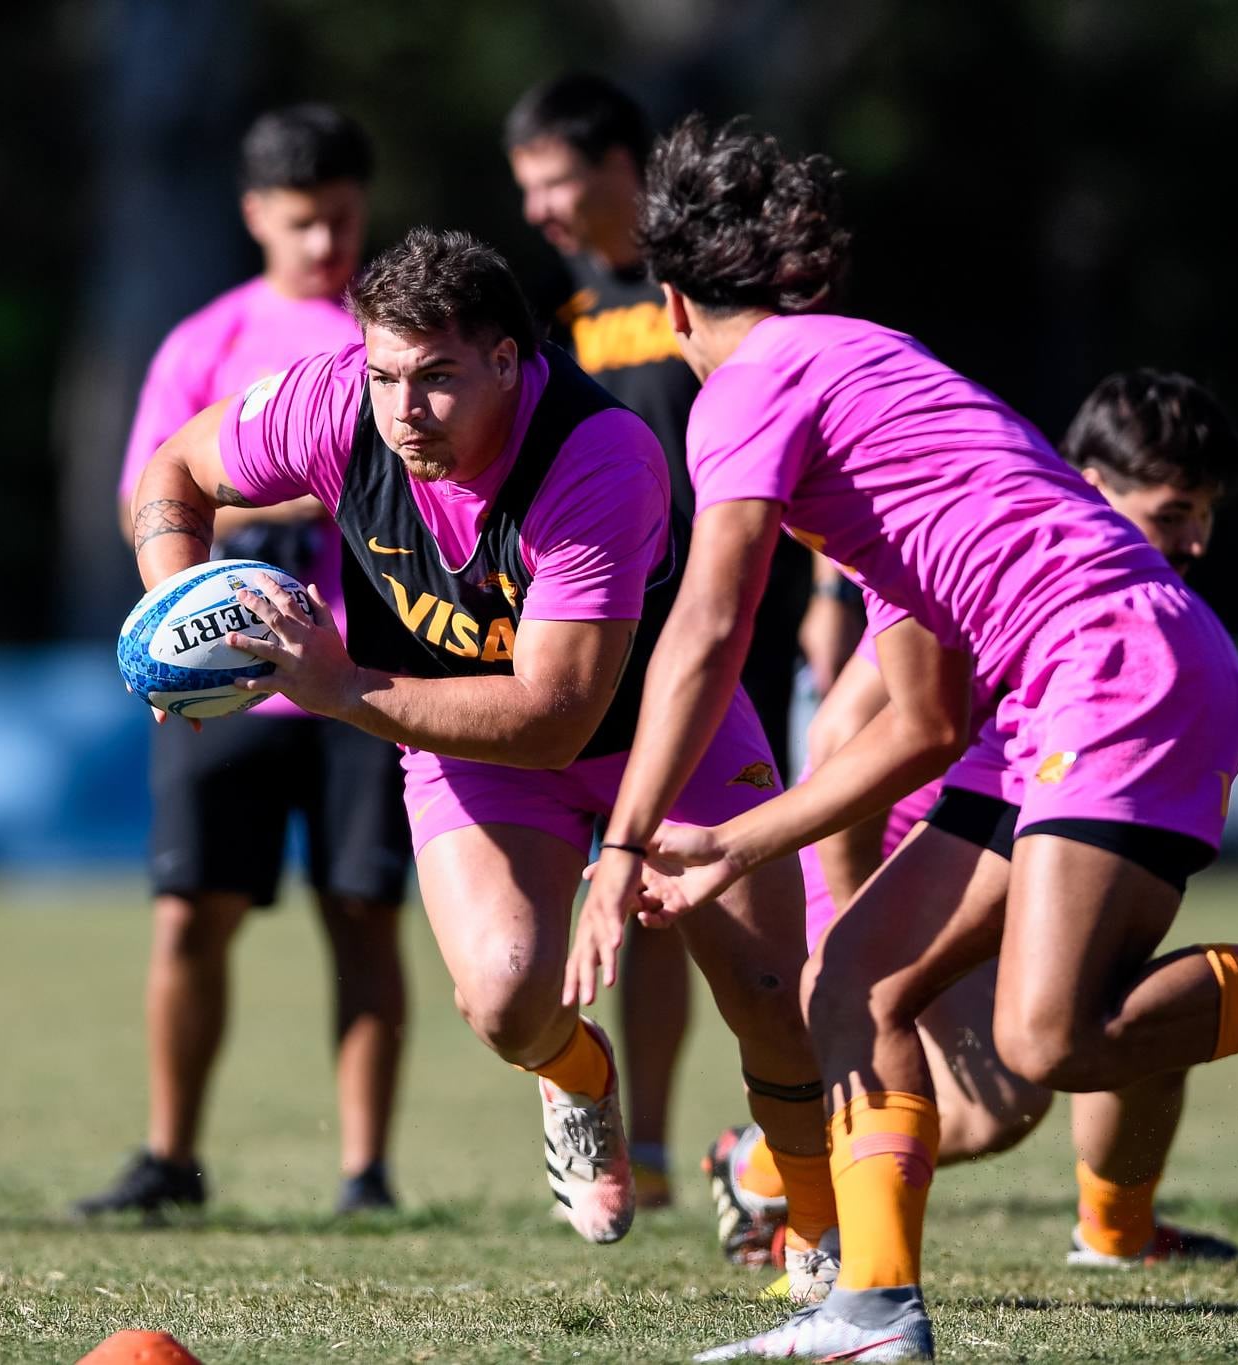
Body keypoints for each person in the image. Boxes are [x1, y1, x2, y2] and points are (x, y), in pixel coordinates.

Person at [570, 118, 1238, 1361]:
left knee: (1049, 1041)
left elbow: (704, 626)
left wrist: (624, 843)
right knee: (853, 984)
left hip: (1107, 666)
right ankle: (874, 1312)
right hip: (1079, 684)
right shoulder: (873, 391)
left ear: (676, 303)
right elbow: (918, 724)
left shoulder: (748, 389)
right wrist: (735, 846)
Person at [128, 227, 843, 1294]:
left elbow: (554, 713)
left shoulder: (595, 455)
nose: (403, 408)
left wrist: (337, 688)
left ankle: (817, 1235)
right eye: (384, 376)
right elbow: (174, 471)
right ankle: (576, 1075)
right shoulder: (329, 404)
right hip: (469, 741)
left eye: (438, 379)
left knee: (766, 988)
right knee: (507, 999)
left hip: (657, 730)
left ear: (511, 359)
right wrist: (178, 608)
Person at [709, 371, 1238, 1279]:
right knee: (991, 1107)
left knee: (1138, 1007)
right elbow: (844, 731)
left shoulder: (1119, 603)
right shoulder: (1021, 569)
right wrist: (862, 936)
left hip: (992, 845)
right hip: (877, 850)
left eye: (1204, 514)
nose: (1195, 541)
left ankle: (1116, 1237)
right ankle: (762, 1166)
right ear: (1090, 488)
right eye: (1173, 514)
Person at [504, 72, 853, 1209]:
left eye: (557, 184)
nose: (543, 211)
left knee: (705, 898)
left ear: (620, 166)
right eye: (528, 190)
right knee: (631, 888)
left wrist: (825, 597)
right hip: (608, 633)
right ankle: (643, 1152)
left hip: (728, 624)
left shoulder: (704, 287)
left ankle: (750, 1141)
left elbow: (813, 444)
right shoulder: (550, 316)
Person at [77, 105, 413, 1221]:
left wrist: (282, 483)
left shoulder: (397, 335)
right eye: (304, 221)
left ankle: (365, 1174)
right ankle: (170, 1158)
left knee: (362, 911)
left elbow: (432, 472)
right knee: (189, 914)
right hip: (230, 689)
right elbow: (154, 495)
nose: (327, 245)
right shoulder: (204, 342)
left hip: (369, 673)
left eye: (344, 218)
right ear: (256, 214)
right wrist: (170, 642)